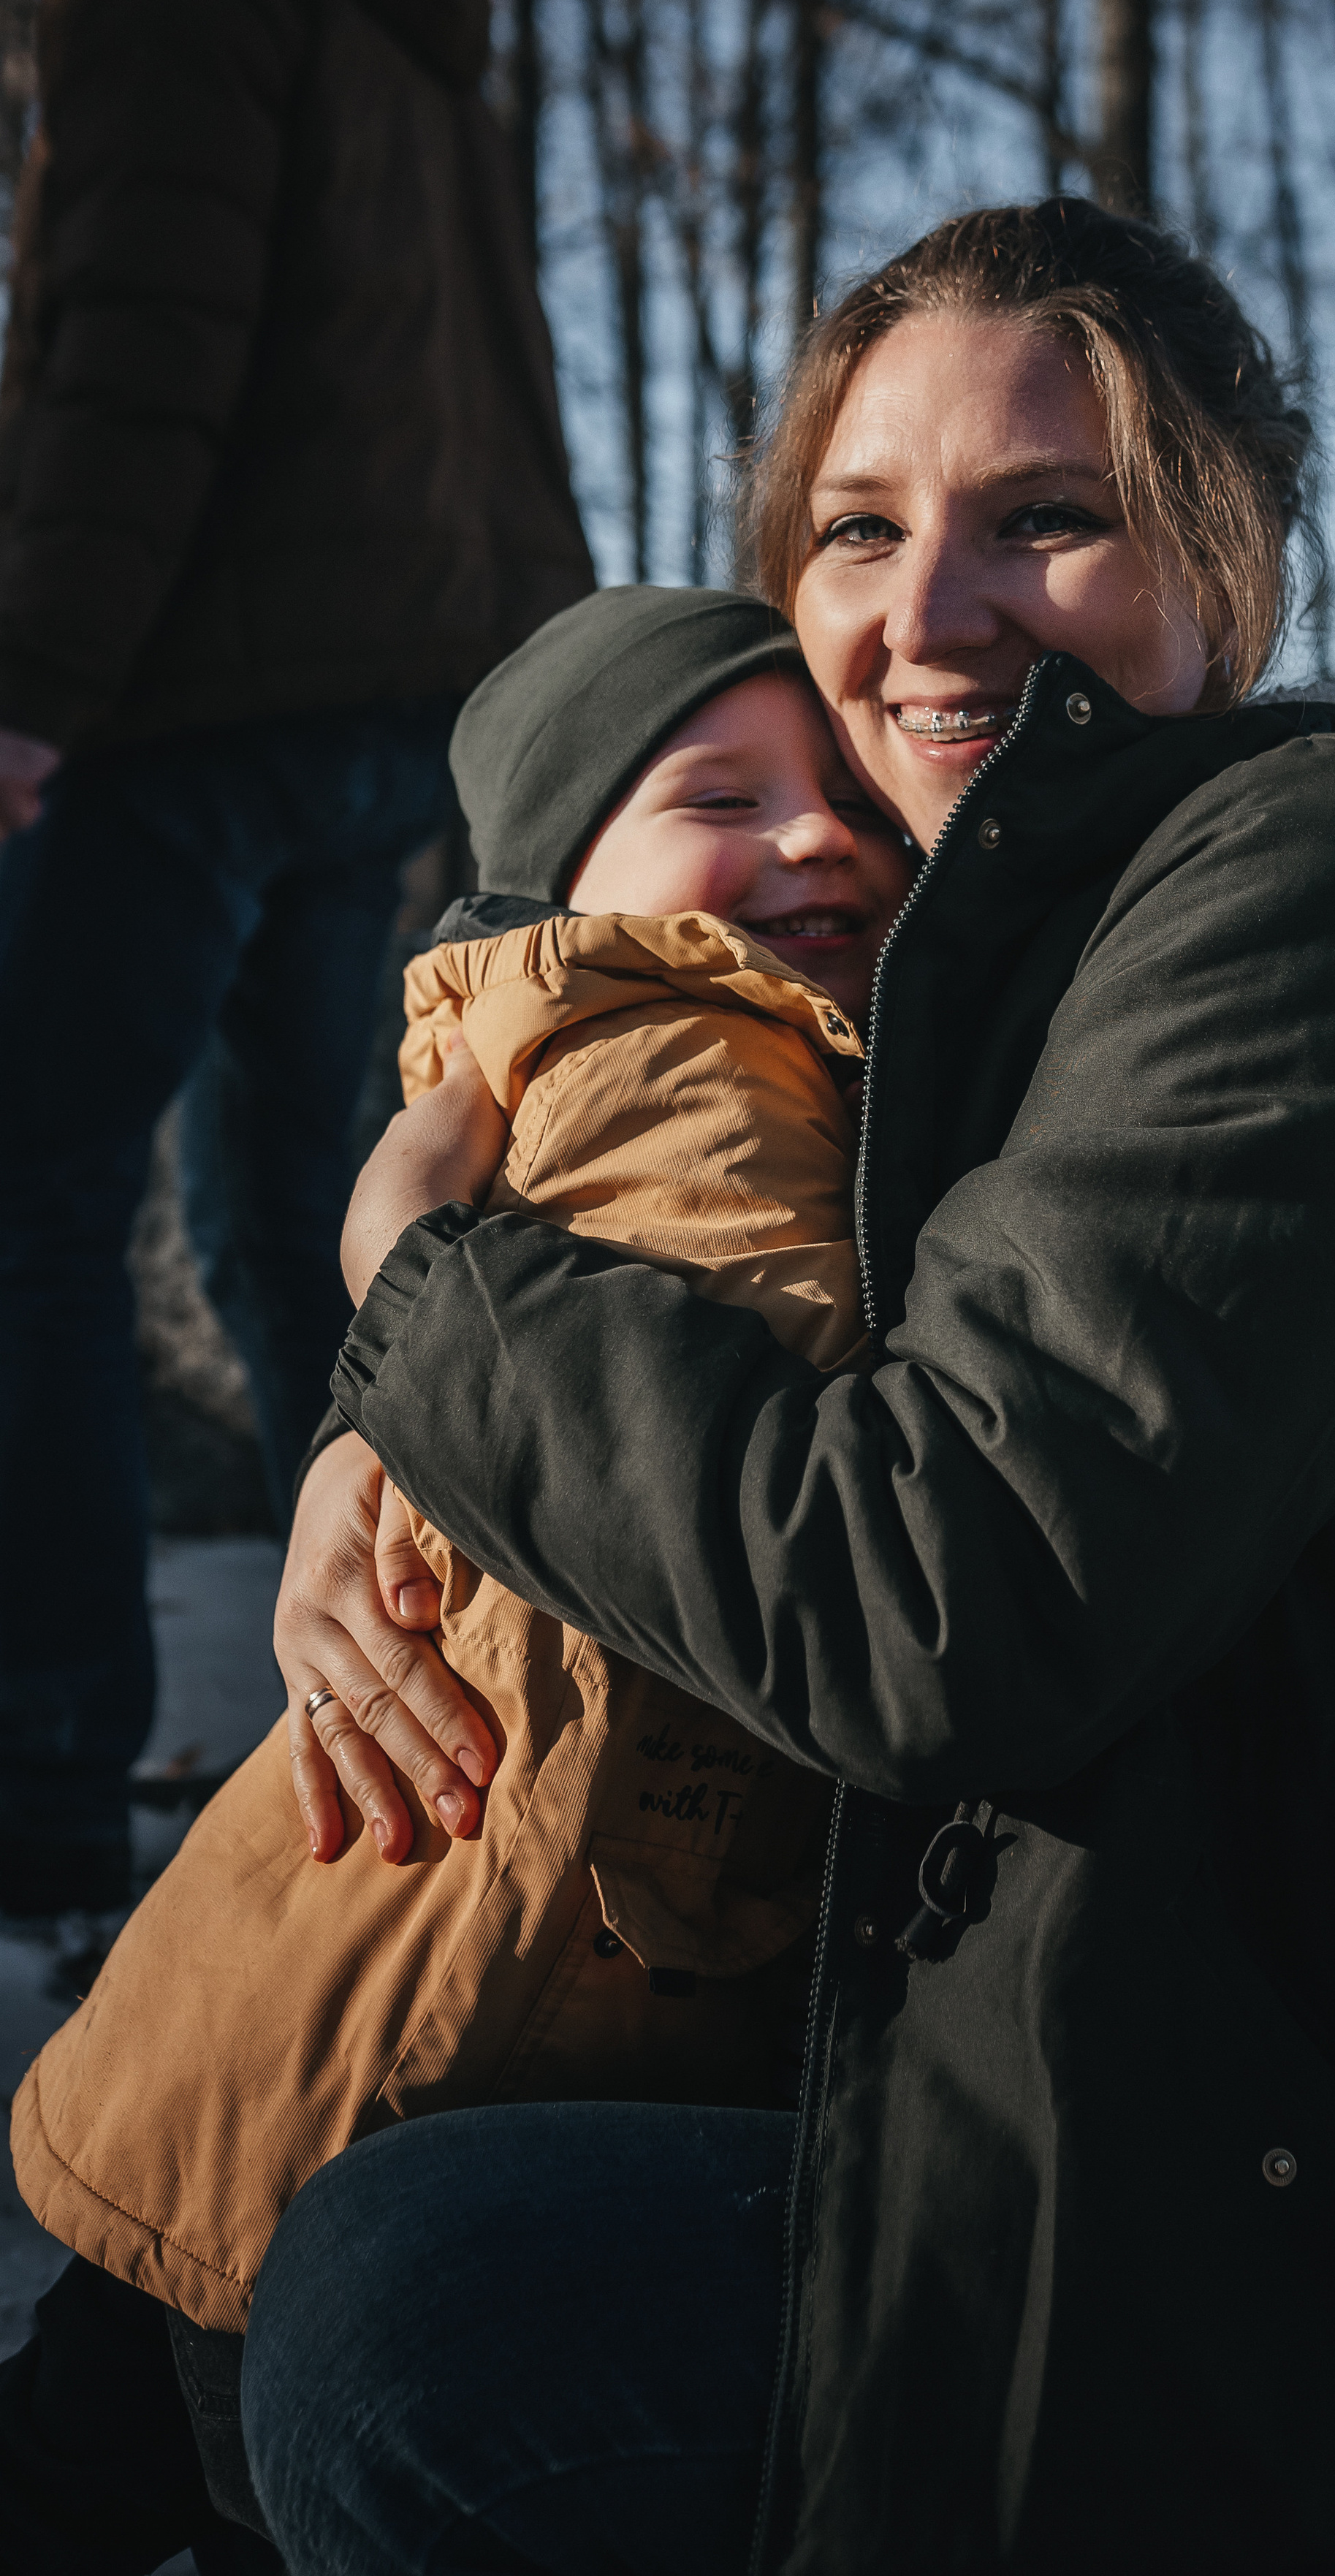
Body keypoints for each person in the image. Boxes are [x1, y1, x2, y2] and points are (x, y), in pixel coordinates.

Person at [249, 199, 1335, 2576]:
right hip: (1192, 2030)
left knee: (420, 2319)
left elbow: (933, 1599)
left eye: (1050, 519)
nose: (931, 613)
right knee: (332, 2199)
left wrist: (424, 1291)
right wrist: (380, 1442)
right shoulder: (974, 954)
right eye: (860, 530)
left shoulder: (1322, 881)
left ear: (1232, 553)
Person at [1, 588, 914, 2573]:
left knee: (84, 2433)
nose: (818, 836)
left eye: (843, 790)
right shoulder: (703, 1055)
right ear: (565, 878)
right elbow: (768, 1403)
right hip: (452, 2001)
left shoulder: (560, 1062)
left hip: (320, 1970)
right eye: (723, 796)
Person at [0, 0, 594, 1923]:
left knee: (30, 1199)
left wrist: (33, 680)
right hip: (406, 693)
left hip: (201, 682)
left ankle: (44, 1786)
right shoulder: (397, 16)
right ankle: (354, 1721)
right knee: (283, 1219)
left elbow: (135, 365)